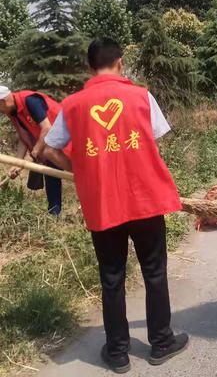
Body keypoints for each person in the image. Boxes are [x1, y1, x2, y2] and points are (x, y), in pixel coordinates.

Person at [43, 38, 188, 373]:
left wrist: (80, 170)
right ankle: (161, 342)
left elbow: (49, 148)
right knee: (154, 272)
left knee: (112, 276)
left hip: (103, 204)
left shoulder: (74, 104)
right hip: (146, 200)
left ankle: (118, 352)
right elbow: (155, 139)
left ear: (90, 67)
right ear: (120, 63)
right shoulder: (141, 95)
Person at [0, 86, 64, 214]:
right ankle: (54, 214)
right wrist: (17, 163)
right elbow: (24, 137)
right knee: (51, 174)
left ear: (2, 101)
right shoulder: (13, 112)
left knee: (81, 176)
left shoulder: (30, 101)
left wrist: (34, 154)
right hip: (51, 145)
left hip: (68, 139)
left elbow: (46, 128)